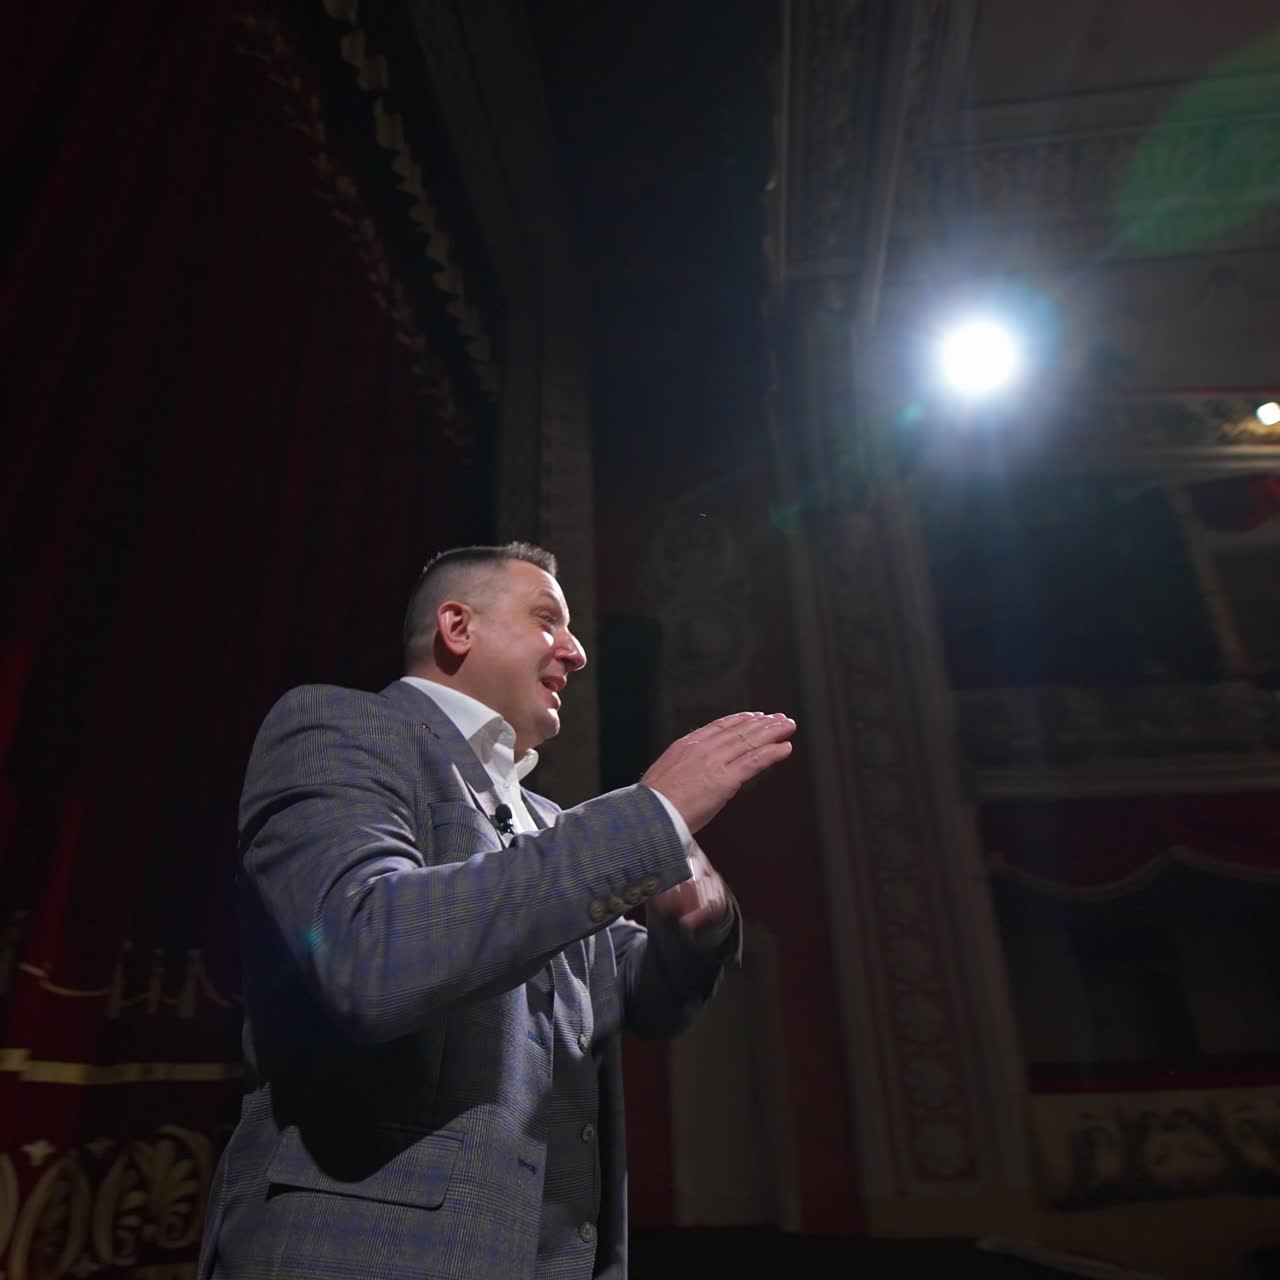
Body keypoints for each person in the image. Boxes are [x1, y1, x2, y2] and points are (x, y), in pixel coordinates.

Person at [198, 542, 796, 1280]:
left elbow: (638, 1002)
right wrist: (650, 816)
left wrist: (693, 929)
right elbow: (364, 953)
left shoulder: (548, 820)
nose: (575, 652)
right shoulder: (339, 728)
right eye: (548, 619)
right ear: (458, 626)